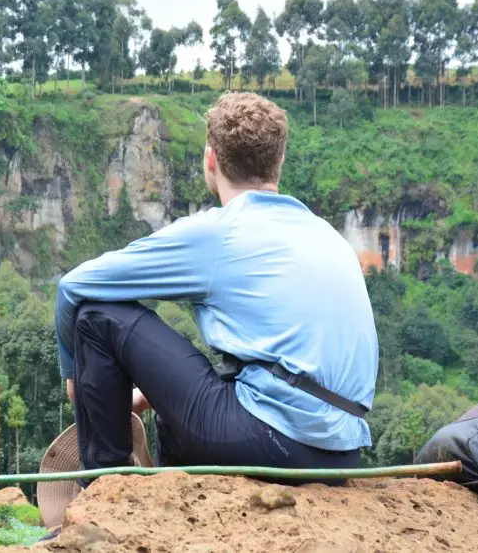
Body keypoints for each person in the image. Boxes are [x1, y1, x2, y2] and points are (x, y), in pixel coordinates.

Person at [54, 92, 379, 482]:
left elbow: (73, 287)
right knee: (181, 417)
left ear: (211, 160)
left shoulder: (219, 233)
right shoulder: (325, 233)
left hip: (273, 441)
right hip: (342, 455)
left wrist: (75, 377)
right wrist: (145, 396)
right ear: (280, 162)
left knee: (95, 316)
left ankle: (100, 495)